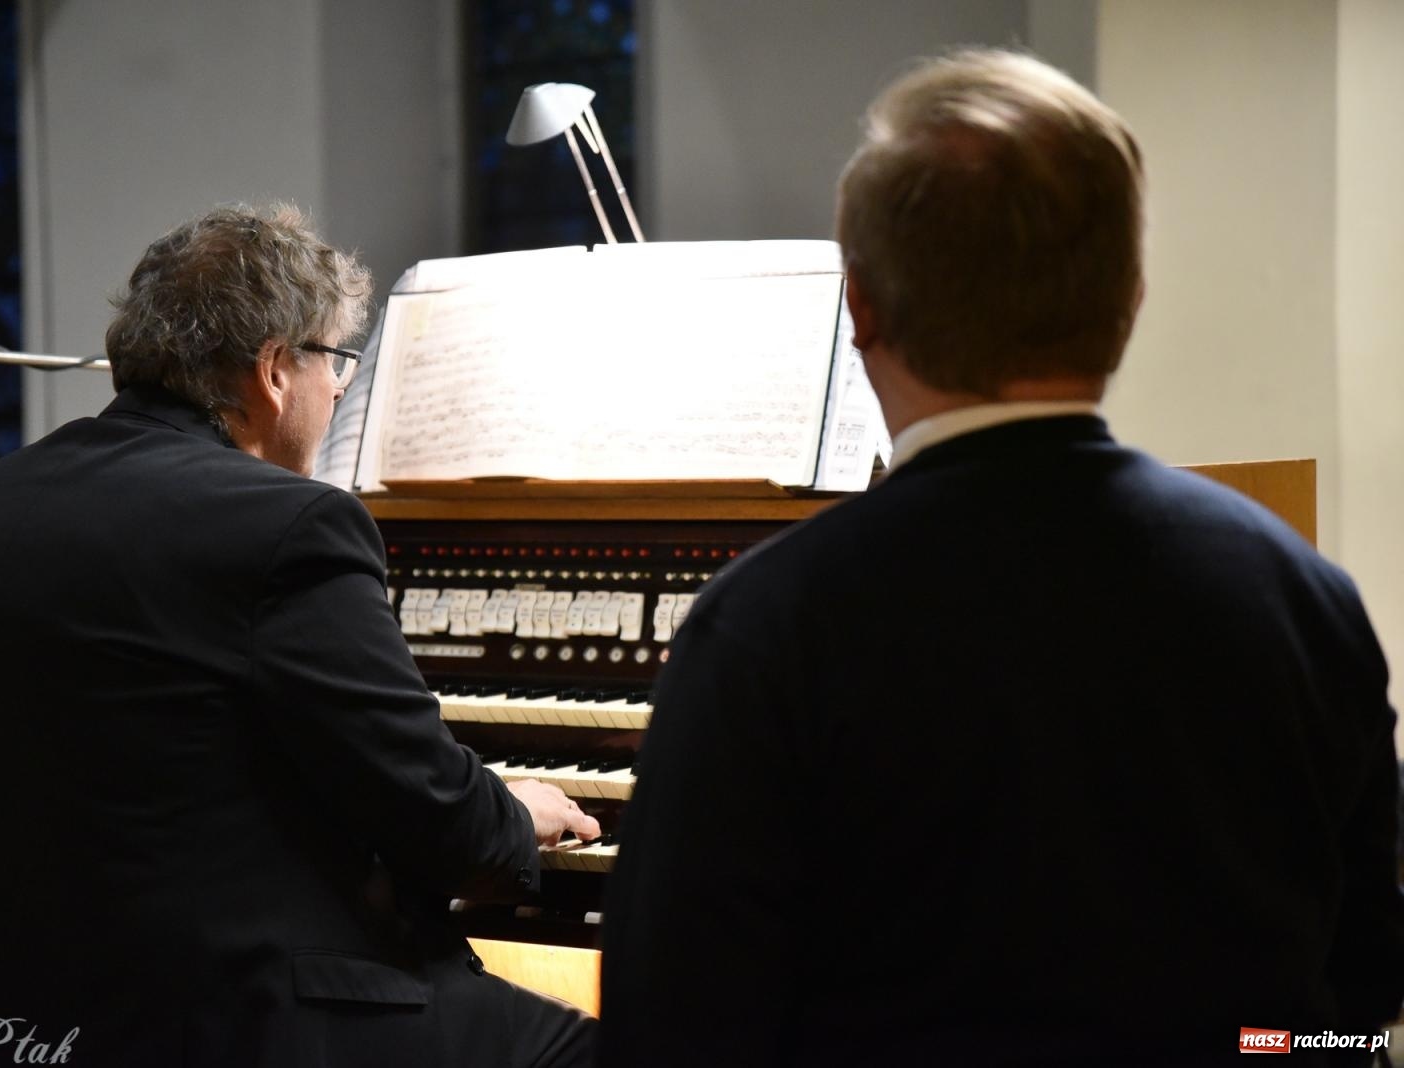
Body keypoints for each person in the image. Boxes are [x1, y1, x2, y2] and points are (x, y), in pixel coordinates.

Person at [600, 49, 1404, 1066]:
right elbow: (1364, 982)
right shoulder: (1303, 594)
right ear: (1128, 299)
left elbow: (670, 1024)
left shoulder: (764, 626)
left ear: (860, 308)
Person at [0, 204, 599, 1067]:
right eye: (335, 361)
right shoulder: (287, 526)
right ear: (273, 371)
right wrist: (515, 815)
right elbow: (450, 834)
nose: (340, 389)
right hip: (218, 1026)